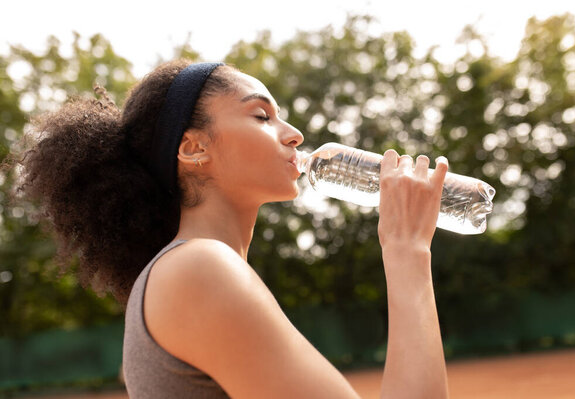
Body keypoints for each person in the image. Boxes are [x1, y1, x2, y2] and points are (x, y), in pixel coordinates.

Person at [11, 60, 449, 398]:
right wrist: (407, 248)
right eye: (262, 116)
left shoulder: (191, 269)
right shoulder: (197, 268)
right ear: (194, 148)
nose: (294, 134)